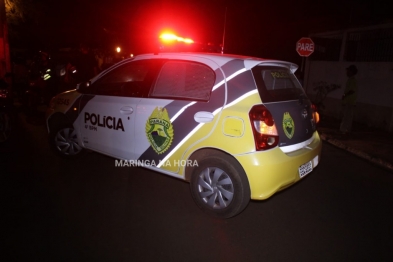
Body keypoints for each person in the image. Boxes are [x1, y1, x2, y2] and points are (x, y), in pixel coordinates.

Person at [340, 64, 358, 135]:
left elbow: (352, 90)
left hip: (350, 101)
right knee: (348, 116)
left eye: (348, 71)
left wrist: (345, 95)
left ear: (352, 72)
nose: (347, 72)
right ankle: (347, 130)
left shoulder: (353, 80)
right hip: (350, 101)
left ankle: (343, 130)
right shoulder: (350, 80)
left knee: (346, 116)